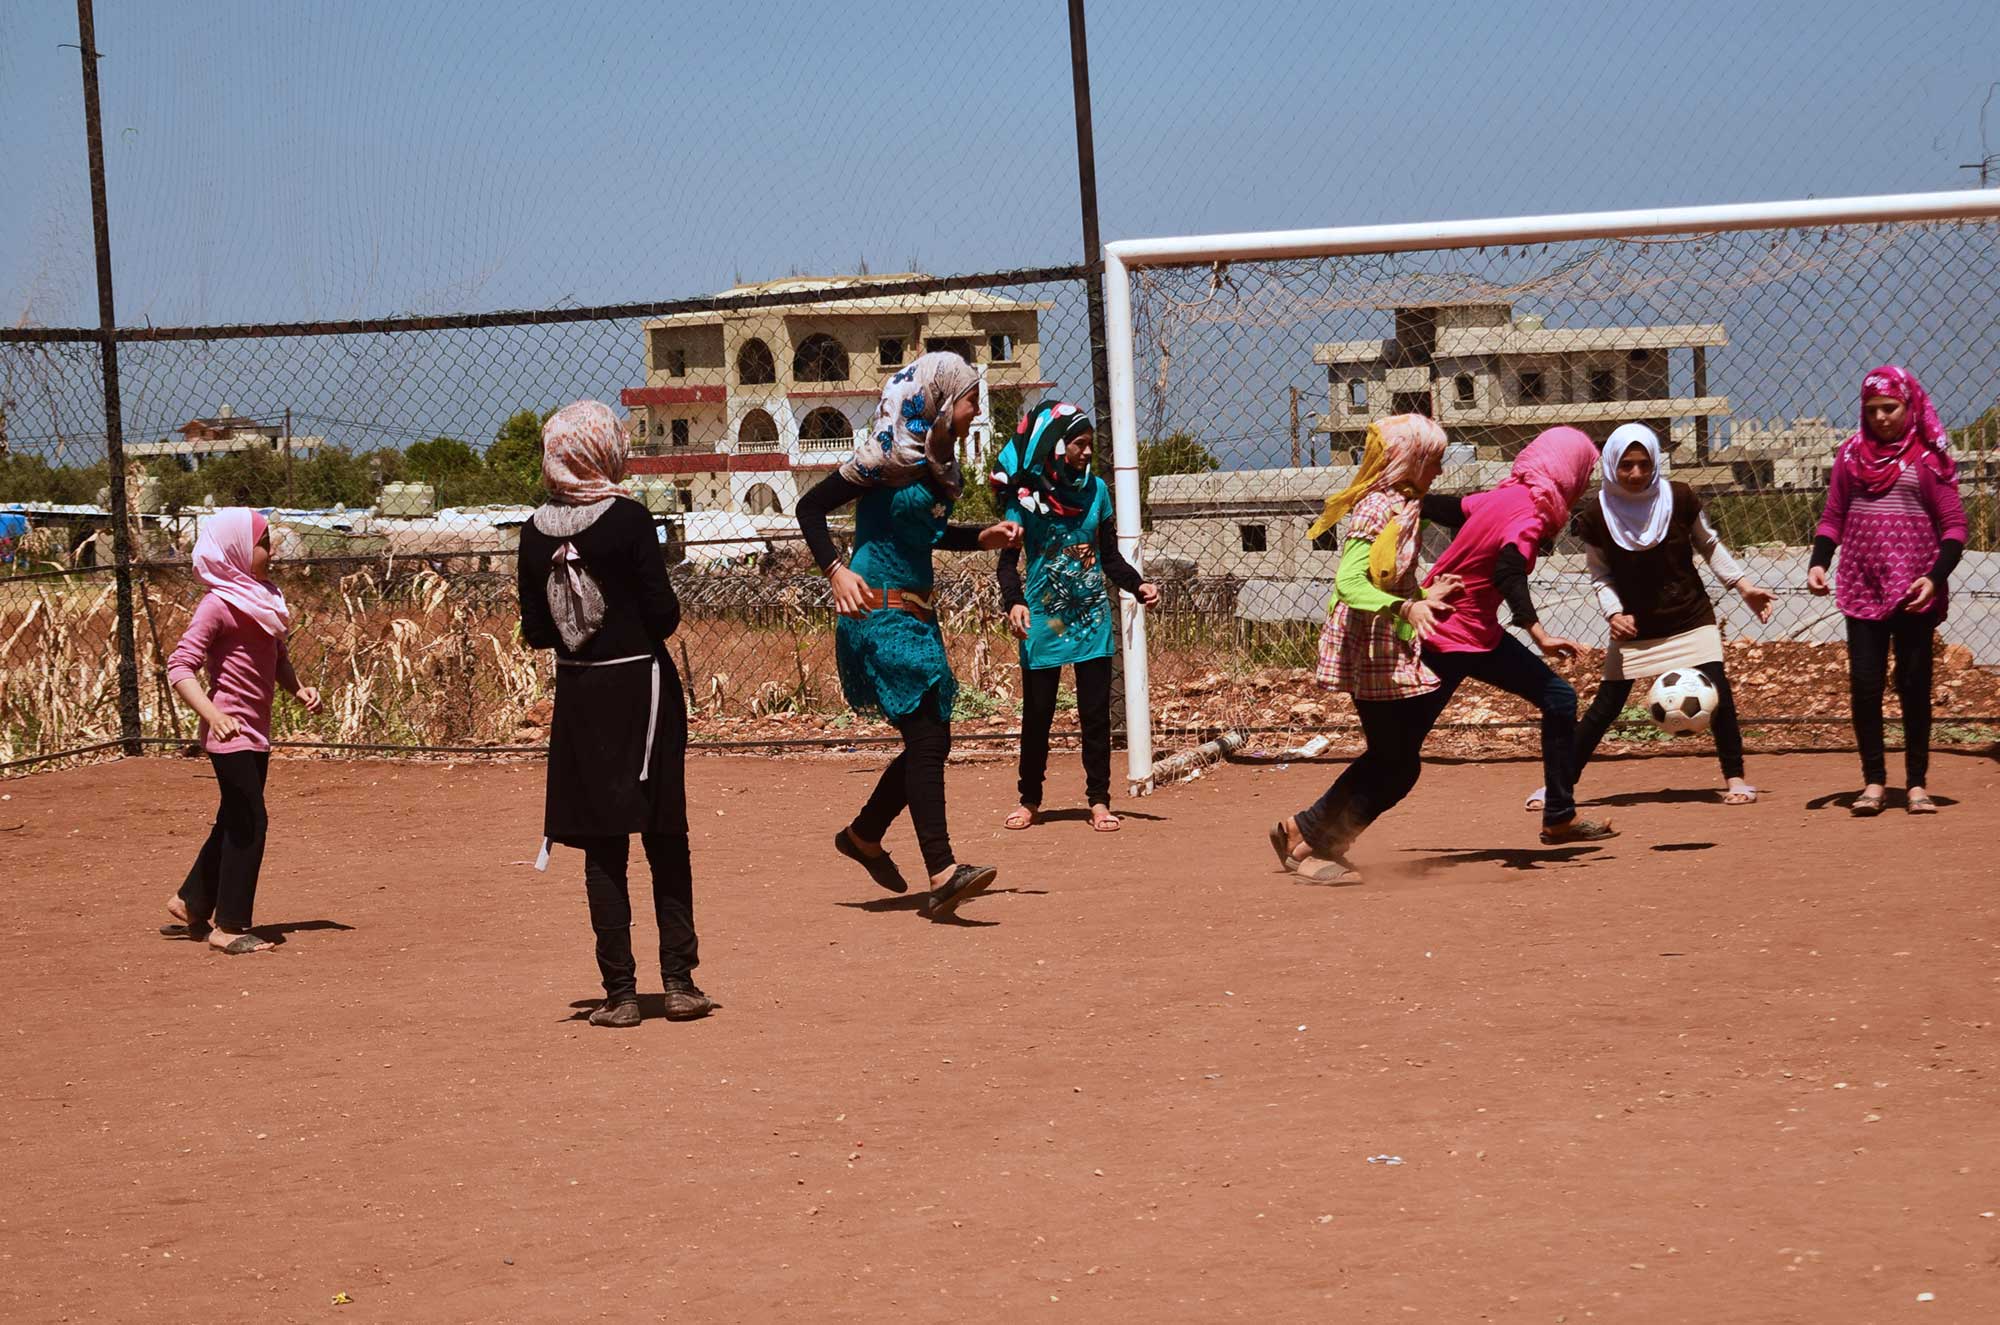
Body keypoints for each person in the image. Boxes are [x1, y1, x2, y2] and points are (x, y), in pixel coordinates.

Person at [796, 352, 1023, 919]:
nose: (975, 410)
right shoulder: (882, 458)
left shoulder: (941, 464)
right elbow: (809, 508)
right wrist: (834, 569)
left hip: (919, 617)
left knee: (930, 741)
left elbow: (926, 535)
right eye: (971, 398)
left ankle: (864, 835)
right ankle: (943, 871)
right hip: (877, 611)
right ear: (941, 400)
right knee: (927, 741)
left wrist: (983, 538)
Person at [518, 400, 713, 1026]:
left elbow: (536, 632)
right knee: (663, 832)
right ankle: (680, 983)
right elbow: (664, 616)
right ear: (605, 450)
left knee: (603, 847)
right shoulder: (629, 518)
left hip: (581, 697)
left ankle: (620, 993)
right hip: (643, 692)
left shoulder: (532, 531)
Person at [1522, 423, 1775, 810]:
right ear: (1611, 466)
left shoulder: (1680, 497)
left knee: (1718, 694)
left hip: (1690, 615)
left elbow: (1709, 544)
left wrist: (1744, 587)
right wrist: (1614, 612)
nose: (1636, 474)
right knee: (1605, 706)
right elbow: (1600, 574)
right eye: (1626, 465)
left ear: (1656, 462)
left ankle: (1736, 777)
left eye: (1644, 464)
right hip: (1634, 625)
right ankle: (1558, 786)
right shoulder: (1596, 515)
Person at [1268, 415, 1461, 882]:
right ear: (1408, 459)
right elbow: (1350, 582)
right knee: (1394, 763)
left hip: (1386, 639)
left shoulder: (1404, 505)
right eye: (1431, 461)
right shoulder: (1378, 508)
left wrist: (1423, 598)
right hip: (1370, 644)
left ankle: (1305, 834)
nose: (1437, 471)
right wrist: (1405, 608)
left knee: (1395, 762)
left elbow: (1387, 574)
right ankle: (1310, 842)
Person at [990, 400, 1158, 833]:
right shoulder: (1024, 500)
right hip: (1047, 620)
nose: (1086, 452)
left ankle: (1099, 800)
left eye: (1090, 444)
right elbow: (1008, 564)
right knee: (1039, 713)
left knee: (1096, 713)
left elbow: (1108, 556)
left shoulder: (1097, 491)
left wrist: (1137, 584)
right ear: (1055, 444)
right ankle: (1030, 800)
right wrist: (1014, 602)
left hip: (1089, 619)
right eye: (1078, 443)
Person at [1807, 365, 1967, 816]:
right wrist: (1819, 562)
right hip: (1862, 587)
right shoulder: (1850, 457)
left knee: (1914, 684)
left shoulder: (1929, 459)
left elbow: (1955, 527)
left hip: (1916, 590)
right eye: (1871, 409)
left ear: (1909, 406)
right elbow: (1833, 516)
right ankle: (1873, 781)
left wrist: (1935, 577)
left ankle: (1916, 783)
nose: (1880, 417)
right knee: (1864, 684)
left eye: (1889, 407)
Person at [163, 508, 321, 954]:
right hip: (230, 734)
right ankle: (229, 926)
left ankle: (191, 901)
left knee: (234, 817)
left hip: (256, 730)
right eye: (264, 542)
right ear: (235, 548)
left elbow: (277, 655)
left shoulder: (262, 597)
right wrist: (212, 714)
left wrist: (298, 689)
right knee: (250, 821)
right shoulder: (219, 603)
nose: (273, 551)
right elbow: (179, 666)